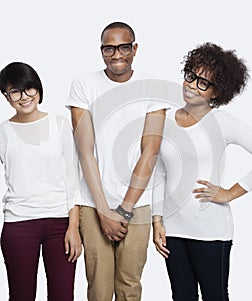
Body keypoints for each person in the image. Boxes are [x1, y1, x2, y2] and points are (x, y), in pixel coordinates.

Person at [152, 42, 252, 301]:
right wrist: (157, 219)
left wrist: (230, 193)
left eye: (204, 82)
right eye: (191, 76)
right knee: (181, 296)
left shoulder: (222, 123)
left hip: (210, 231)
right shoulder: (165, 120)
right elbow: (159, 172)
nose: (192, 85)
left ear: (216, 92)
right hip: (173, 230)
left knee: (215, 296)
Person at [66, 21, 166, 301]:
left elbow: (150, 151)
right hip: (92, 202)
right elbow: (84, 150)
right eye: (109, 48)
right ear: (102, 51)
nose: (117, 54)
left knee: (129, 285)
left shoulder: (152, 87)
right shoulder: (83, 84)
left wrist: (124, 209)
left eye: (124, 47)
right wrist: (103, 210)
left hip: (137, 203)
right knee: (98, 287)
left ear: (134, 48)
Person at [0, 62, 82, 301]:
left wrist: (74, 228)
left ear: (38, 89)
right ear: (6, 96)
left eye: (29, 89)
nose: (24, 97)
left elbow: (72, 179)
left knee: (62, 296)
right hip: (18, 223)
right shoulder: (2, 132)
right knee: (21, 296)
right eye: (15, 91)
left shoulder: (59, 124)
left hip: (60, 224)